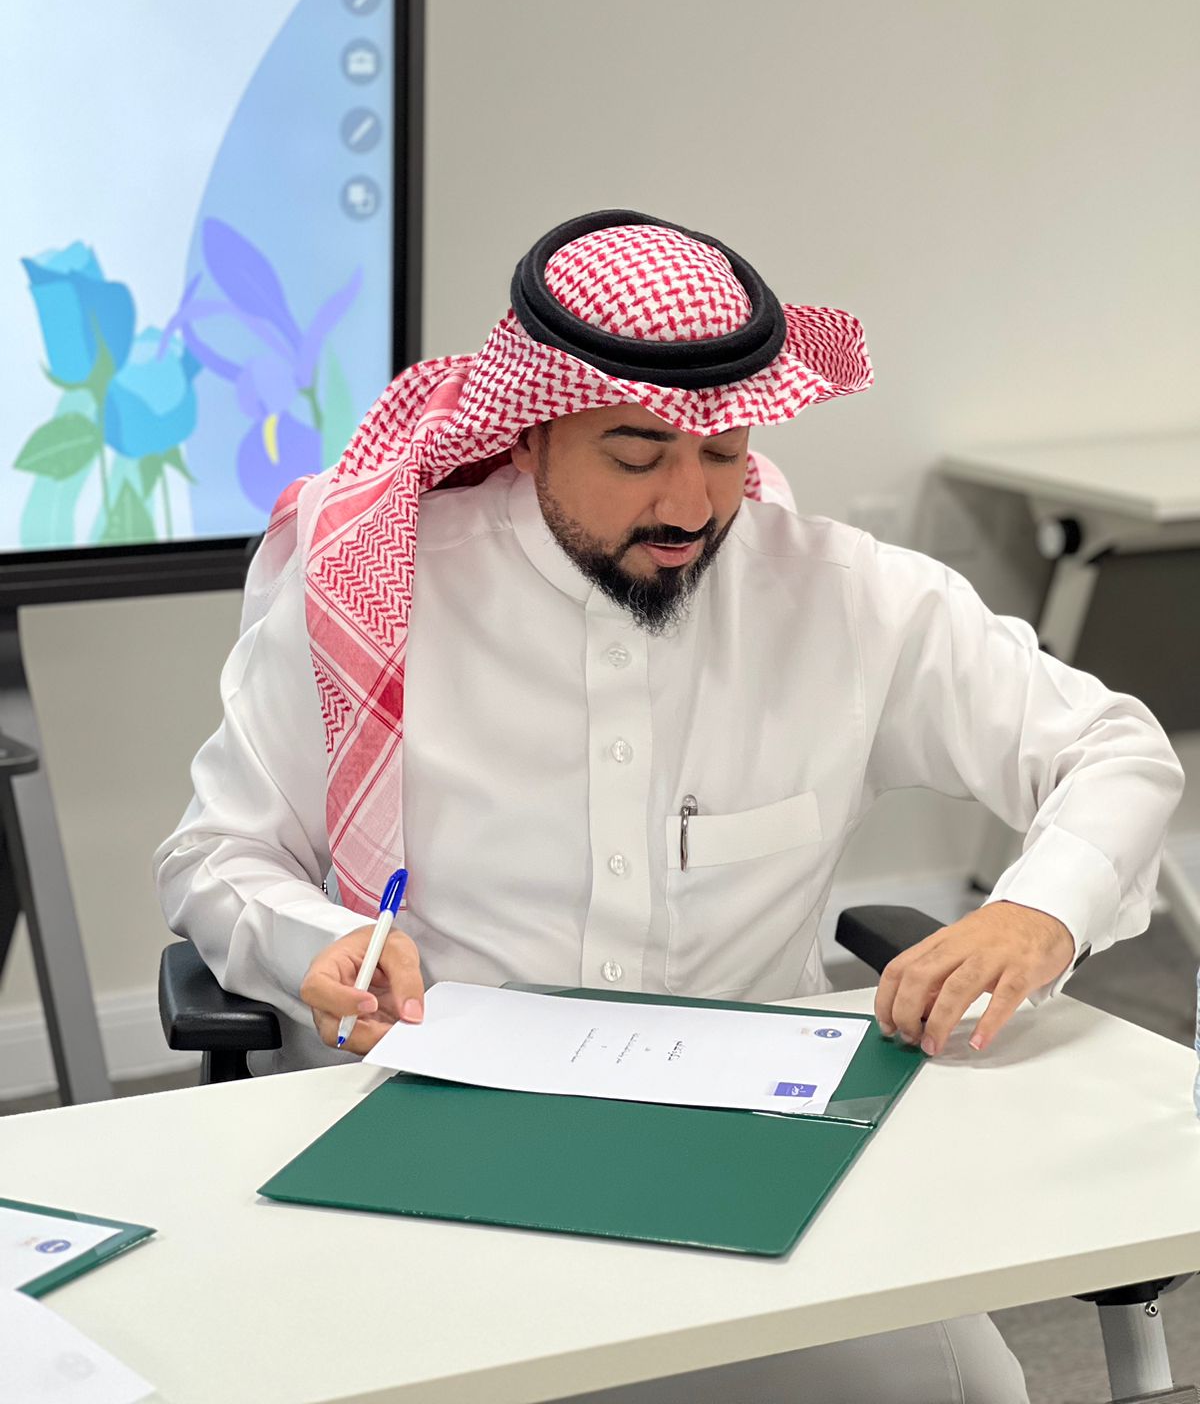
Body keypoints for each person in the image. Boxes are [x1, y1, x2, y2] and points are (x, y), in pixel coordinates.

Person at [156, 210, 1183, 1404]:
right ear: (532, 431)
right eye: (638, 454)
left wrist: (1038, 913)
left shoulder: (845, 598)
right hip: (435, 1147)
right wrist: (317, 942)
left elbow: (1114, 748)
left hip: (767, 1163)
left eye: (723, 451)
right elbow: (216, 853)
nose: (690, 503)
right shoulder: (373, 592)